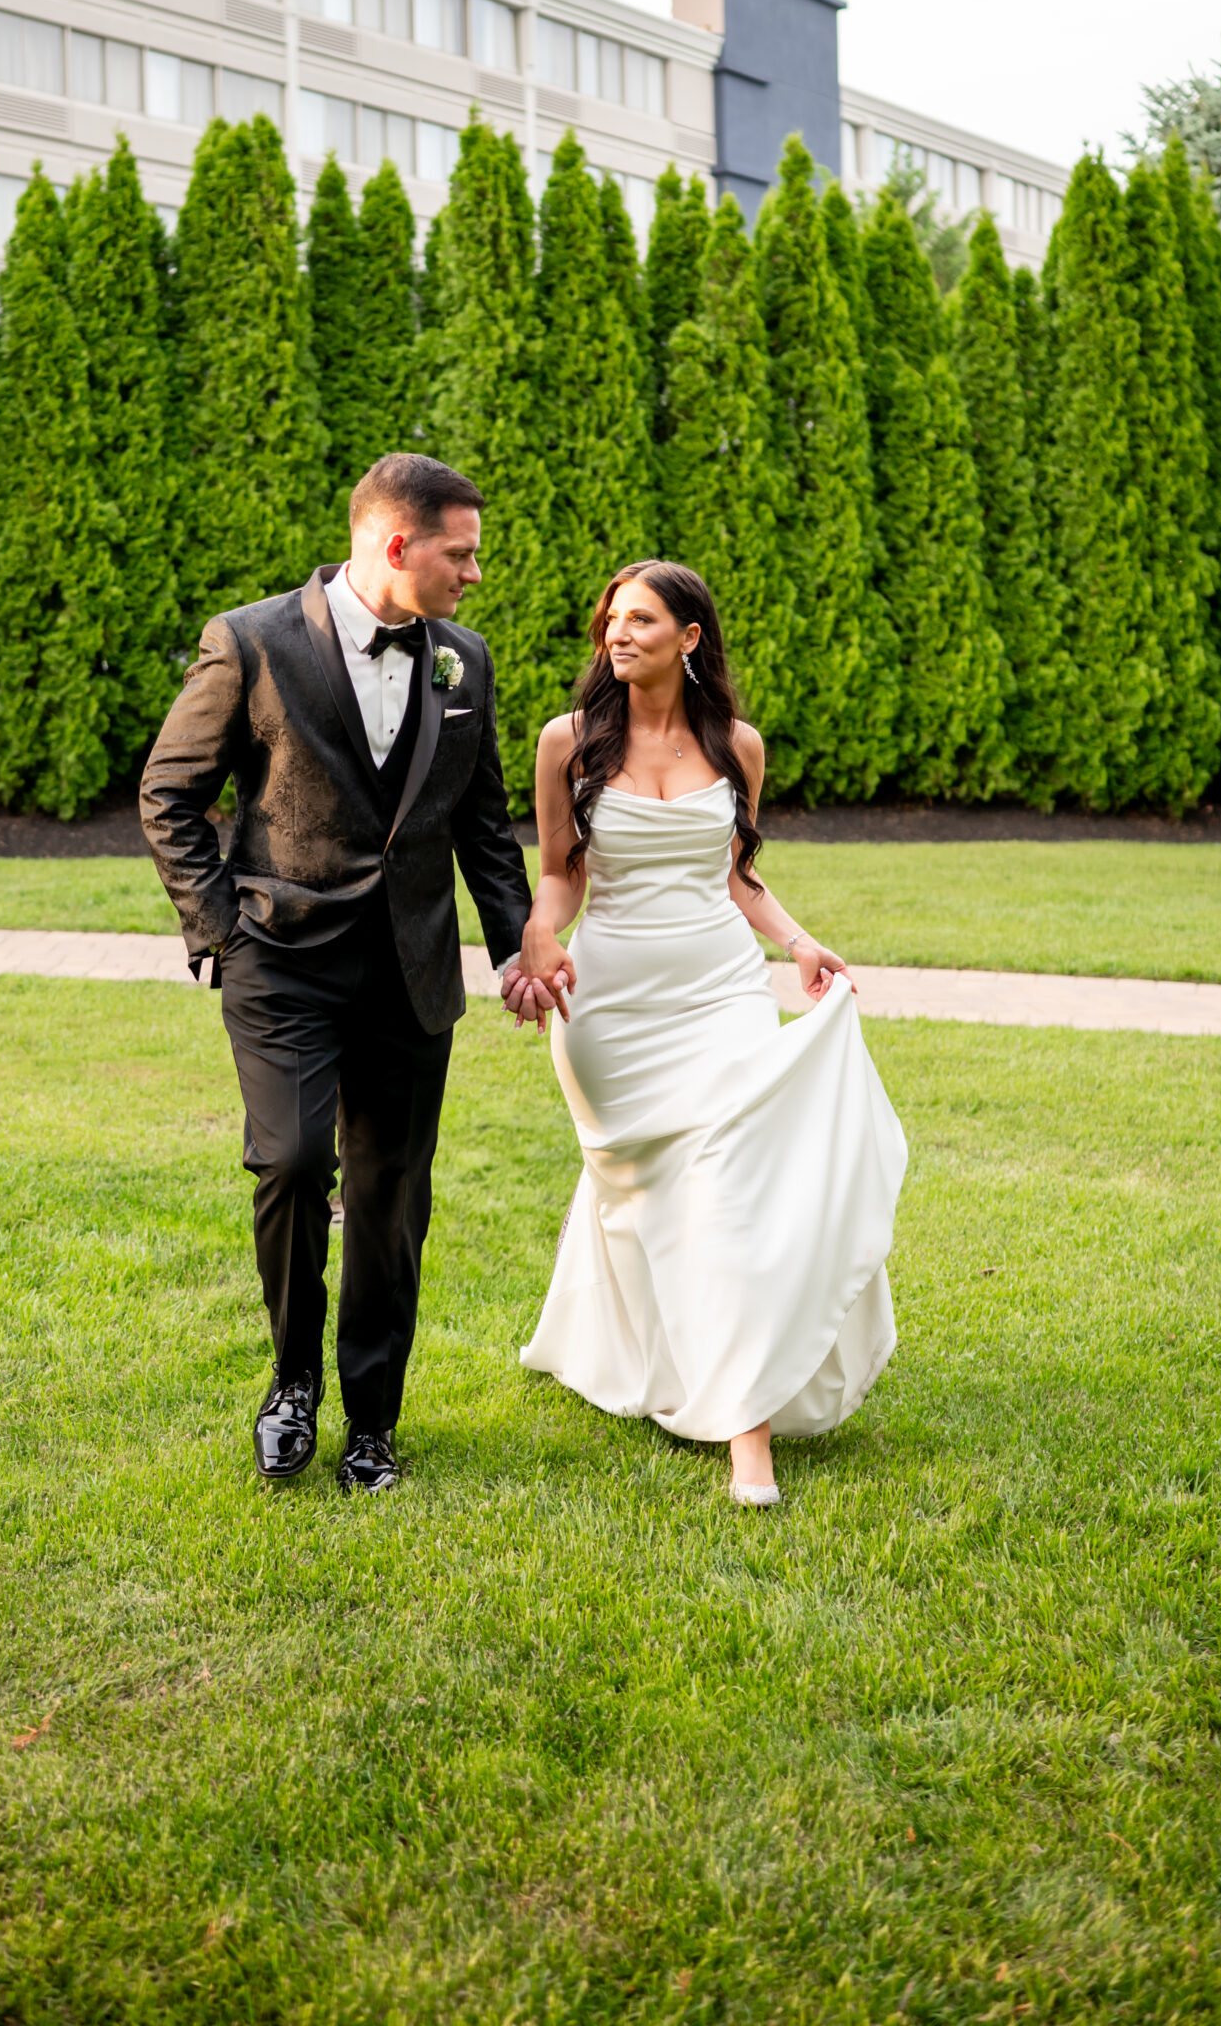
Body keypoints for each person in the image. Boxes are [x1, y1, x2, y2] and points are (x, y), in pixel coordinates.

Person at [140, 454, 534, 1494]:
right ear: (394, 544)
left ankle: (371, 1420)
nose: (475, 574)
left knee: (391, 1193)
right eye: (462, 553)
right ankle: (289, 1385)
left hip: (411, 975)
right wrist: (224, 931)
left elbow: (481, 824)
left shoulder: (464, 662)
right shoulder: (251, 640)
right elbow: (167, 793)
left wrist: (515, 946)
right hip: (283, 963)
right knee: (290, 1161)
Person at [508, 560, 907, 1506]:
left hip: (721, 991)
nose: (619, 633)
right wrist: (535, 931)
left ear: (689, 638)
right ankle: (611, 1347)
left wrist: (799, 945)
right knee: (648, 1197)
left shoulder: (737, 745)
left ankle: (747, 1435)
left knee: (724, 1191)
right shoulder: (566, 741)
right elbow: (561, 874)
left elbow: (737, 877)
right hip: (607, 1006)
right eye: (611, 619)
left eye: (641, 620)